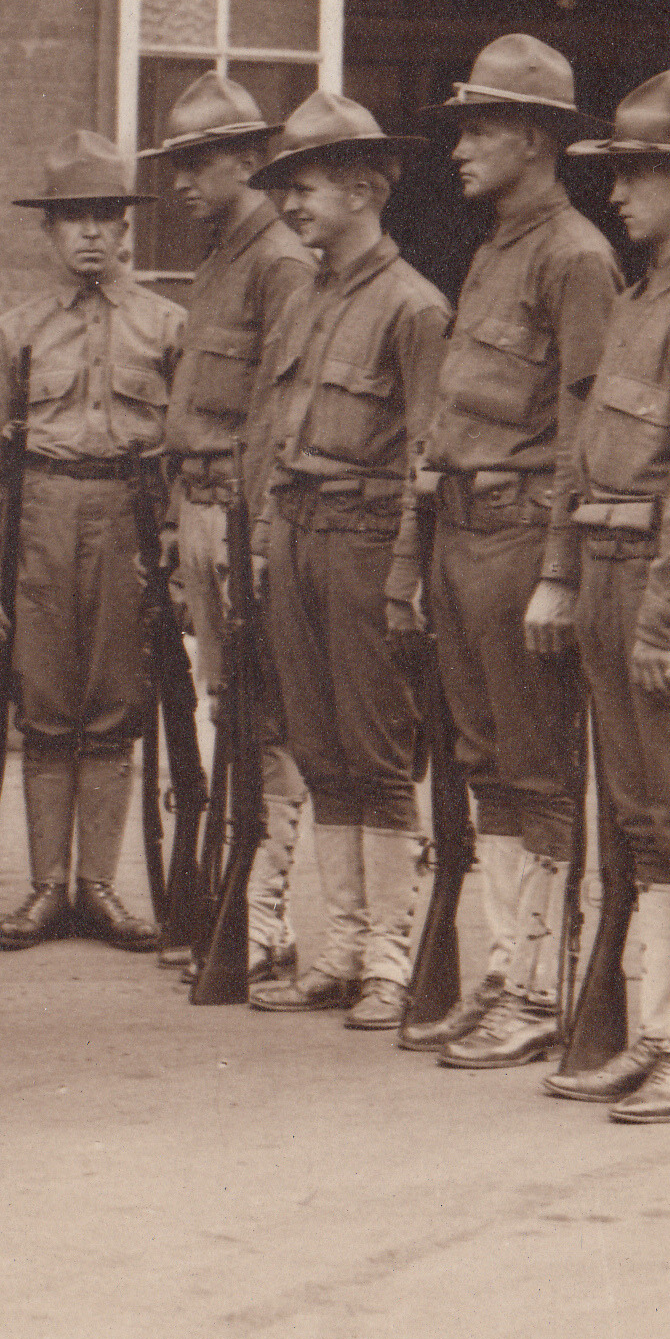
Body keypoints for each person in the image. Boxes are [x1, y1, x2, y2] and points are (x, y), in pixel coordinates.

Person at [531, 74, 670, 1124]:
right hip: (610, 572)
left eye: (637, 174)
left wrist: (666, 616)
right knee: (643, 821)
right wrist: (574, 579)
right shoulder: (640, 298)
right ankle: (657, 1036)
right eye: (616, 173)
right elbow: (587, 451)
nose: (617, 193)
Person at [395, 38, 620, 1067]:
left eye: (478, 129)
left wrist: (561, 572)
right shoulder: (492, 251)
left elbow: (584, 432)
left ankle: (536, 991)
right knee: (485, 762)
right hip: (461, 534)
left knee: (535, 767)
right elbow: (449, 421)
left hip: (522, 536)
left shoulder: (576, 257)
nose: (459, 150)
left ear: (533, 137)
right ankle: (504, 973)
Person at [243, 93, 448, 1030]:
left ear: (365, 189)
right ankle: (340, 950)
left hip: (365, 541)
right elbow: (277, 430)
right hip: (296, 535)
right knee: (320, 750)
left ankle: (389, 962)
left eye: (307, 187)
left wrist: (406, 574)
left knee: (377, 751)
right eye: (285, 190)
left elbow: (425, 459)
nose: (290, 206)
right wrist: (263, 541)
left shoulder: (414, 308)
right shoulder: (306, 296)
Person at [0, 132, 185, 955]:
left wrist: (172, 552)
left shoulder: (167, 327)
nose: (91, 233)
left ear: (126, 227)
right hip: (42, 520)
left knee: (115, 705)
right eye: (73, 218)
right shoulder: (13, 334)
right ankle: (46, 888)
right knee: (45, 703)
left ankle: (97, 885)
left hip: (130, 521)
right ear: (49, 231)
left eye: (105, 216)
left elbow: (186, 458)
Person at [143, 73, 315, 983]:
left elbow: (280, 414)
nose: (181, 181)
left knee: (265, 717)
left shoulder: (280, 262)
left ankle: (264, 917)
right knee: (226, 709)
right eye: (176, 164)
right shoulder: (218, 260)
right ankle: (237, 907)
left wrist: (256, 537)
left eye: (199, 161)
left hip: (245, 514)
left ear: (248, 159)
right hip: (202, 507)